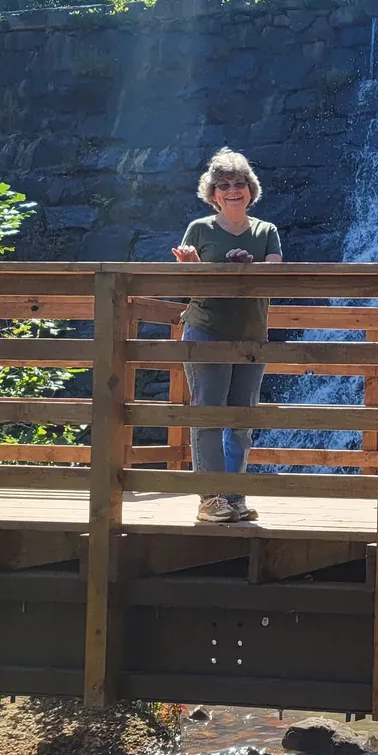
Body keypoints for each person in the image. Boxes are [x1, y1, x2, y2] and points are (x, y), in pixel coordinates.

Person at [171, 148, 283, 524]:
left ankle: (234, 496)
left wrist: (246, 268)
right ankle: (210, 498)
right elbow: (191, 286)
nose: (232, 190)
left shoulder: (267, 232)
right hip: (207, 329)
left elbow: (275, 277)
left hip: (252, 335)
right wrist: (195, 267)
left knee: (241, 418)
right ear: (213, 193)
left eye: (239, 184)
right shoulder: (199, 230)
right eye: (223, 185)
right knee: (209, 413)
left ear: (250, 190)